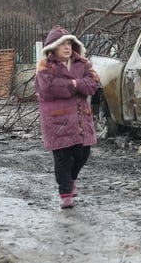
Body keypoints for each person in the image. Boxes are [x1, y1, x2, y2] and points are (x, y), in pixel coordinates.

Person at [35, 25, 100, 209]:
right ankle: (65, 194)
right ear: (53, 47)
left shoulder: (83, 63)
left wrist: (73, 82)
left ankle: (71, 179)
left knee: (83, 153)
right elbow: (48, 88)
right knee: (62, 157)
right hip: (57, 121)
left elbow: (93, 84)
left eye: (69, 43)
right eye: (62, 44)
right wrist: (77, 86)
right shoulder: (45, 66)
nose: (67, 47)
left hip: (80, 119)